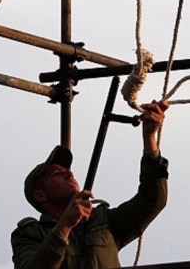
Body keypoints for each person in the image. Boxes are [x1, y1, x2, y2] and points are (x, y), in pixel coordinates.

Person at [11, 100, 170, 269]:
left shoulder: (104, 221)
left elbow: (152, 201)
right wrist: (65, 225)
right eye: (56, 173)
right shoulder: (29, 234)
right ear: (40, 195)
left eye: (68, 170)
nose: (69, 173)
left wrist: (149, 139)